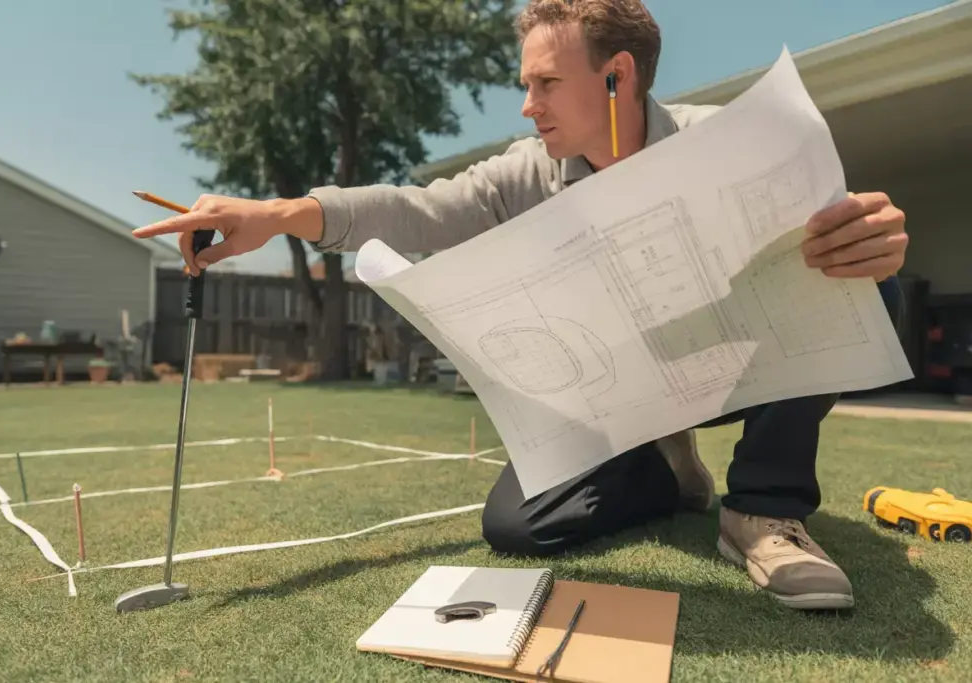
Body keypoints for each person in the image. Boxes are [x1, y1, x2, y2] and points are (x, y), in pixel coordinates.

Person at [133, 0, 909, 611]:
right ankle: (672, 478)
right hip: (622, 392)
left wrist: (870, 235)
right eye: (524, 84)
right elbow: (413, 210)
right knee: (517, 525)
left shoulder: (734, 141)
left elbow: (843, 225)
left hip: (740, 367)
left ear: (617, 77)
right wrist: (275, 214)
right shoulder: (526, 172)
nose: (527, 106)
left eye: (544, 83)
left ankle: (763, 511)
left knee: (849, 265)